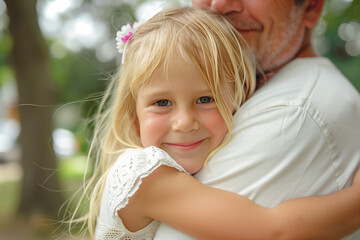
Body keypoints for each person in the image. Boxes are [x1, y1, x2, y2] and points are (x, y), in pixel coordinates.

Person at [63, 7, 360, 240]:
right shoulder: (146, 178)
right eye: (162, 103)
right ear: (133, 118)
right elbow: (274, 230)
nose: (184, 122)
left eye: (206, 99)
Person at [154, 1, 360, 239]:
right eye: (161, 103)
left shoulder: (292, 113)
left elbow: (275, 230)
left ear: (310, 7)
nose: (220, 5)